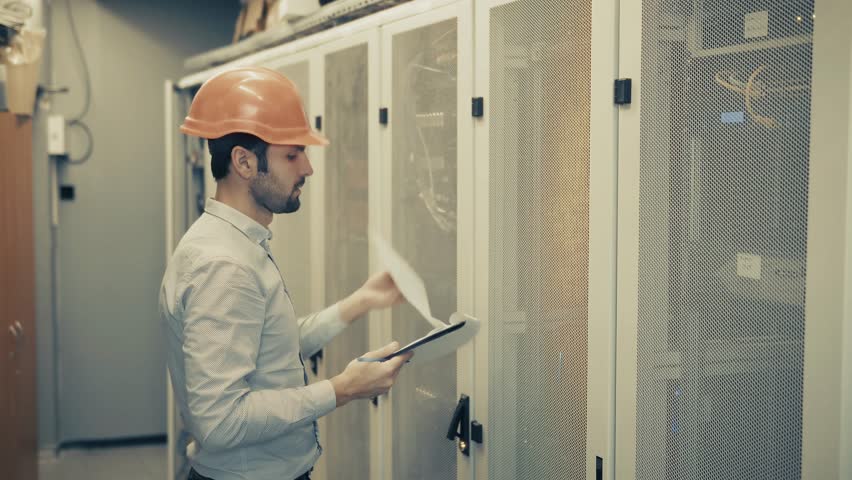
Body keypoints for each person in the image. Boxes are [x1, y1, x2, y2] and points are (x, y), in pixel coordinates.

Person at [159, 66, 412, 480]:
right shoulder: (223, 266)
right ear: (243, 161)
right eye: (292, 155)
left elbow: (268, 350)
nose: (308, 168)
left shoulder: (234, 242)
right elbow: (220, 422)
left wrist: (359, 302)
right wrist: (342, 388)